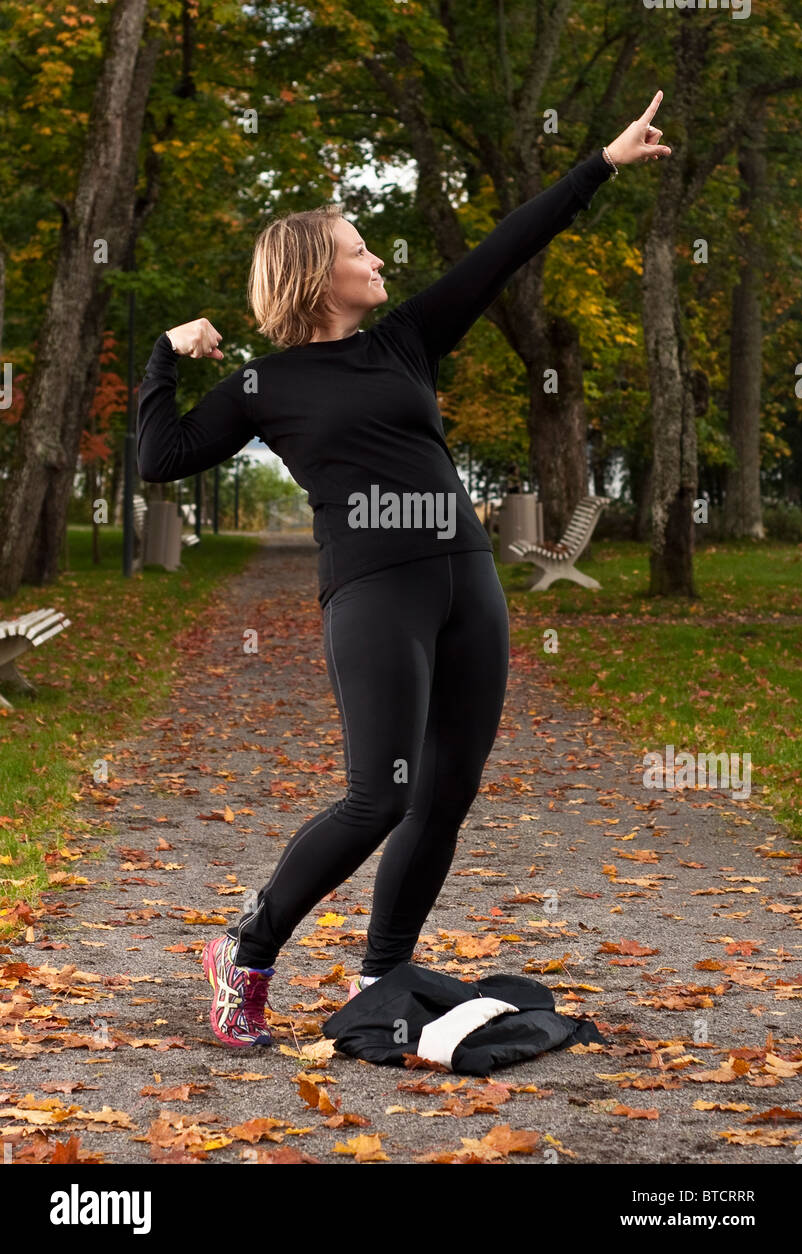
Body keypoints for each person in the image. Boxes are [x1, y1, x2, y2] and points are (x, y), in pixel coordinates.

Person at [137, 92, 671, 1048]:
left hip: (468, 578)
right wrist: (164, 355)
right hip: (374, 589)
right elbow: (161, 456)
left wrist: (602, 161)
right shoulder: (263, 385)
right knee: (377, 794)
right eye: (358, 248)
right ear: (314, 271)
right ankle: (246, 951)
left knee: (448, 789)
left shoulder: (404, 340)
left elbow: (503, 248)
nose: (376, 258)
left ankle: (384, 972)